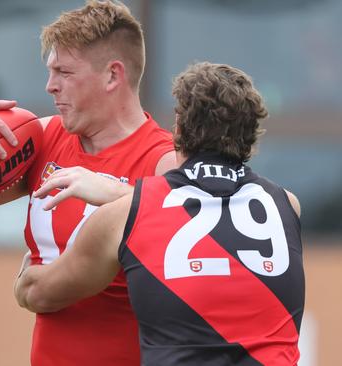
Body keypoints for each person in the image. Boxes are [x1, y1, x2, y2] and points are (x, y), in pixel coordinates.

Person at [0, 1, 175, 364]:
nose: (50, 86)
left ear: (112, 76)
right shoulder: (42, 137)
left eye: (64, 72)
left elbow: (202, 258)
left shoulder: (164, 159)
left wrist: (122, 196)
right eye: (50, 71)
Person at [15, 61, 305, 365]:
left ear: (177, 127)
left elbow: (40, 293)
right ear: (251, 132)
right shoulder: (287, 205)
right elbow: (213, 212)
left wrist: (23, 283)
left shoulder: (128, 215)